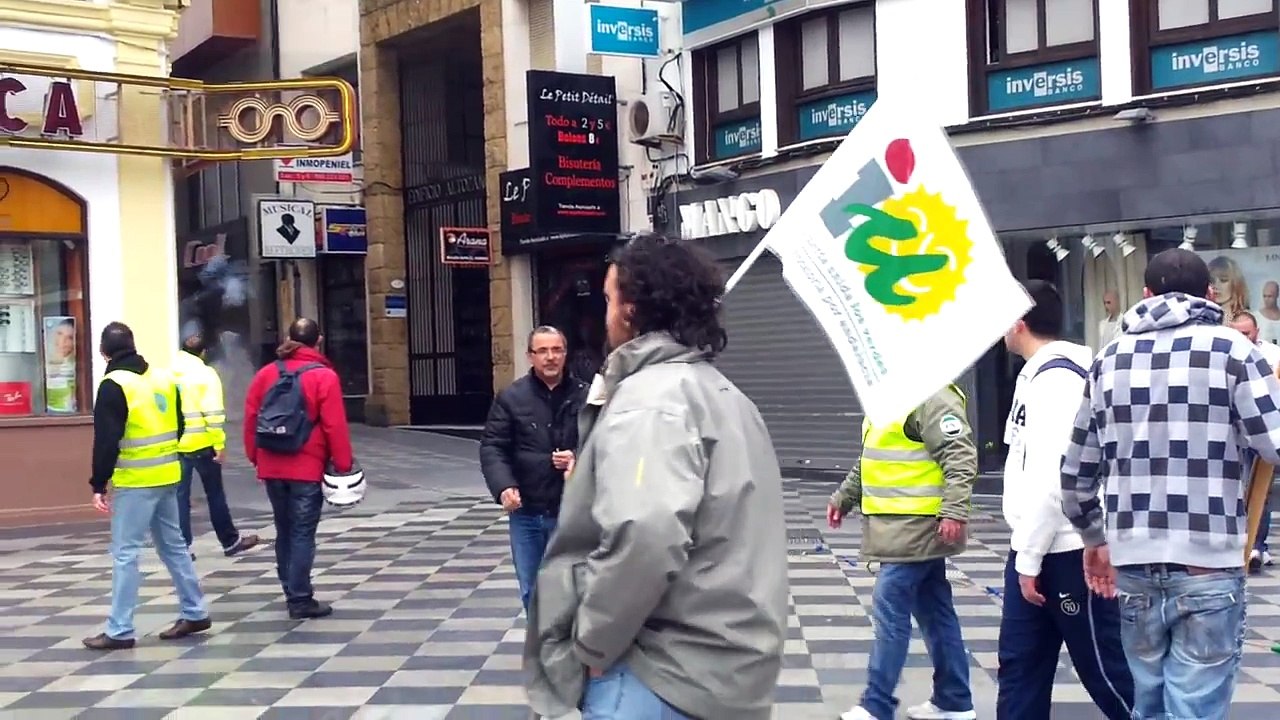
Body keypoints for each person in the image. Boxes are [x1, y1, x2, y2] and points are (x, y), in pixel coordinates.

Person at [524, 235, 789, 720]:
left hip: (659, 675)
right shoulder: (727, 396)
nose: (603, 314)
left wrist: (593, 645)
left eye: (608, 299)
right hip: (730, 672)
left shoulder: (652, 400)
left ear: (631, 308)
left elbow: (646, 531)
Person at [1061, 248, 1280, 720]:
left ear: (1144, 295)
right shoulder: (1235, 352)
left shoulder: (1108, 360)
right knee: (1193, 706)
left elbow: (1076, 474)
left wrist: (1094, 537)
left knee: (1150, 701)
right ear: (1209, 295)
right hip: (1207, 561)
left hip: (1134, 560)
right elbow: (1274, 443)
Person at [997, 280, 1133, 719]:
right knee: (1020, 667)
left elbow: (1054, 479)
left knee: (1105, 671)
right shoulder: (1035, 374)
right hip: (1035, 545)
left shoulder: (1057, 381)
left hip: (1066, 551)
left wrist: (1029, 560)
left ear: (1018, 322)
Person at [829, 384, 979, 720]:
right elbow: (872, 457)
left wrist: (954, 509)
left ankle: (877, 704)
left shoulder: (932, 394)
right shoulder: (891, 396)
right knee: (936, 612)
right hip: (898, 528)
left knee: (890, 609)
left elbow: (960, 455)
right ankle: (954, 700)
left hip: (918, 528)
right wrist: (845, 496)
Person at [83, 322, 211, 650]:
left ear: (103, 352)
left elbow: (106, 440)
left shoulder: (114, 385)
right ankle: (195, 611)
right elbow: (181, 423)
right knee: (174, 546)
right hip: (168, 475)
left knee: (126, 554)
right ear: (133, 344)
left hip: (136, 483)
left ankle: (120, 629)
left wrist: (99, 483)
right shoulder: (162, 377)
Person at [244, 318, 353, 620]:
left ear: (288, 338)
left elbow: (251, 418)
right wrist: (343, 465)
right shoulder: (324, 377)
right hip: (306, 465)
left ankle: (290, 588)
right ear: (319, 340)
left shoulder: (266, 373)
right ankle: (300, 598)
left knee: (284, 529)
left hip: (272, 464)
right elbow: (334, 425)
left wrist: (255, 457)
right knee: (303, 532)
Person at [479, 325, 588, 612]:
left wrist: (577, 456)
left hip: (572, 512)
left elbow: (606, 443)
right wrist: (504, 487)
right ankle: (542, 652)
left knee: (574, 590)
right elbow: (493, 446)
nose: (550, 357)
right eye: (542, 351)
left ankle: (572, 652)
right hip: (527, 512)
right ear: (530, 356)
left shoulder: (587, 397)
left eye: (556, 350)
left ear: (565, 354)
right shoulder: (511, 398)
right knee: (532, 590)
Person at [173, 331, 258, 560]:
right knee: (215, 494)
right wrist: (218, 443)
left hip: (176, 443)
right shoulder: (206, 374)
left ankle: (182, 548)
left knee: (179, 496)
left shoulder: (169, 372)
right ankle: (229, 540)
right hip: (203, 443)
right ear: (203, 352)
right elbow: (213, 412)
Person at [1228, 310, 1280, 572]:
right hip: (1236, 432)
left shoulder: (1271, 355)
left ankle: (1258, 545)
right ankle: (1244, 543)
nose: (1242, 339)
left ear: (1257, 332)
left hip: (1263, 428)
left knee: (1262, 489)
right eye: (1237, 333)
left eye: (1246, 334)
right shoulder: (1226, 353)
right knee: (1239, 487)